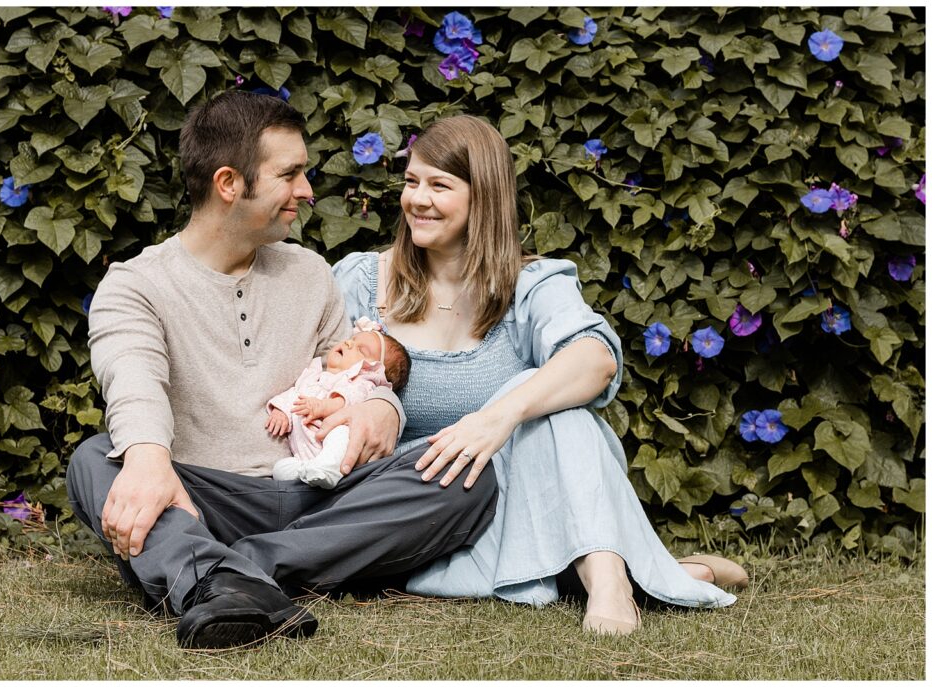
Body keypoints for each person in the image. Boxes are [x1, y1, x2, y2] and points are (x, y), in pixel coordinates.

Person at [65, 93, 497, 650]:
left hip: (313, 488)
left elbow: (355, 372)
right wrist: (147, 460)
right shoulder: (136, 285)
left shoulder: (309, 272)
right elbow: (133, 380)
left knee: (463, 474)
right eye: (290, 174)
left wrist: (380, 407)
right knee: (94, 460)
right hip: (200, 496)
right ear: (229, 183)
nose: (307, 191)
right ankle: (232, 568)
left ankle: (235, 572)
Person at [333, 115, 748, 636]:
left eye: (439, 185)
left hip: (510, 500)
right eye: (412, 181)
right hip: (409, 504)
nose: (417, 199)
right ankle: (667, 573)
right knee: (542, 398)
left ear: (483, 197)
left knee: (556, 405)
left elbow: (595, 358)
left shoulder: (529, 284)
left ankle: (610, 585)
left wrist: (498, 417)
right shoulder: (362, 280)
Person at [267, 318, 411, 488]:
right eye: (352, 339)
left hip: (339, 450)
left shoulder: (361, 383)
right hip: (306, 456)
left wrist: (323, 406)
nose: (349, 343)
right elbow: (295, 394)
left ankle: (329, 469)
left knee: (341, 433)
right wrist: (281, 411)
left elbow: (350, 401)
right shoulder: (314, 376)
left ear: (372, 369)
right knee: (280, 469)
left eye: (361, 350)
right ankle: (307, 473)